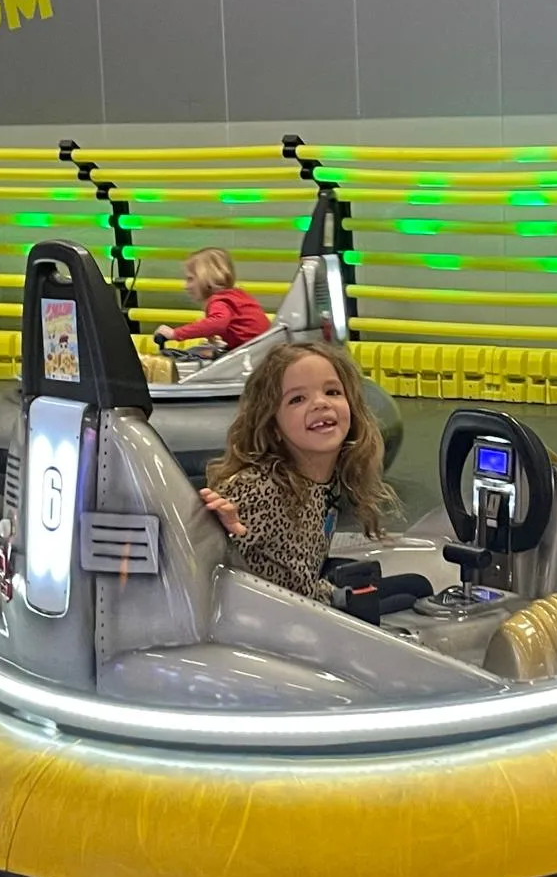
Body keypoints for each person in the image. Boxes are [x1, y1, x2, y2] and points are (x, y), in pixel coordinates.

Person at [198, 342, 433, 620]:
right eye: (297, 399)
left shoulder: (327, 479)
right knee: (409, 595)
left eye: (332, 392)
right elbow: (206, 571)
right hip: (281, 618)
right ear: (274, 427)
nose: (321, 403)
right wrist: (223, 532)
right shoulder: (258, 487)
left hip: (310, 596)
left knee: (416, 586)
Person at [153, 247, 269, 352]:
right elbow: (238, 324)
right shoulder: (235, 295)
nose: (186, 286)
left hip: (255, 352)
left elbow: (217, 323)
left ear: (207, 279)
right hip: (261, 347)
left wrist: (175, 333)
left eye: (190, 279)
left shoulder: (219, 301)